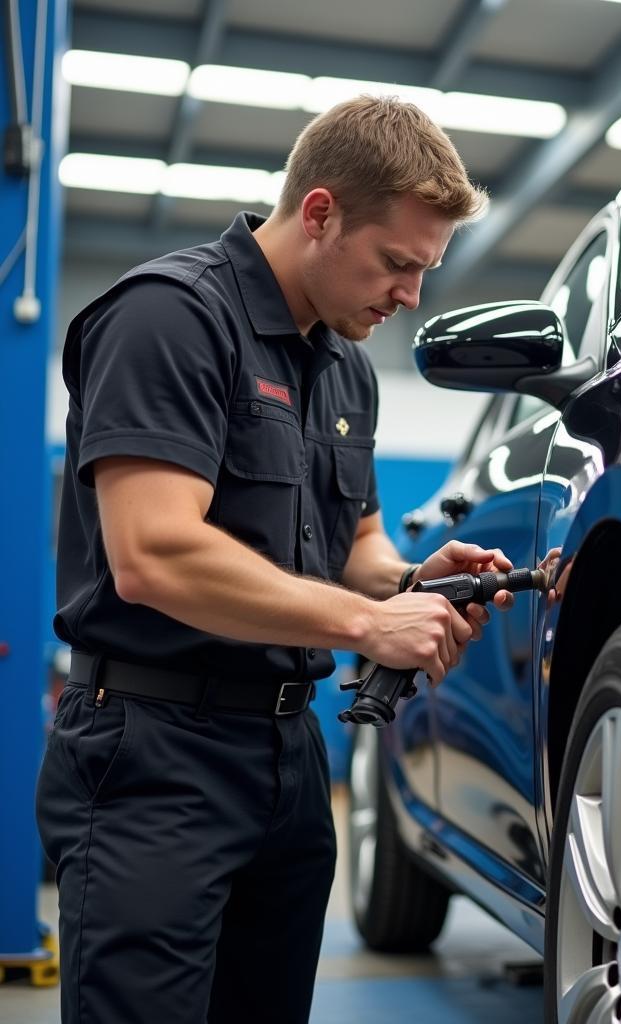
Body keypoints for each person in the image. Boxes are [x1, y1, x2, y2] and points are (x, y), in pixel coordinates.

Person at [36, 95, 514, 1024]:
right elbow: (154, 554)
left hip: (290, 763)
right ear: (321, 212)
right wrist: (371, 623)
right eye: (398, 264)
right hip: (154, 755)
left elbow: (356, 550)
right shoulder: (169, 318)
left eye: (424, 270)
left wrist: (414, 583)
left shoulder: (346, 369)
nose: (410, 295)